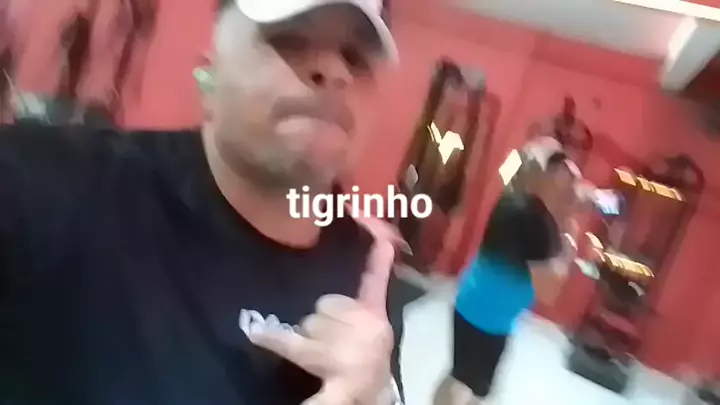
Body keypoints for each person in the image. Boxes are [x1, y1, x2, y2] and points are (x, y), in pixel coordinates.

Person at [0, 0, 405, 404]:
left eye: (355, 57)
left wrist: (378, 396)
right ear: (209, 75)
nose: (335, 70)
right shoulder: (60, 187)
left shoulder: (370, 277)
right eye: (290, 39)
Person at [433, 137, 585, 405]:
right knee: (464, 382)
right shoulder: (529, 216)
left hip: (488, 314)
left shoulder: (528, 207)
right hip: (483, 317)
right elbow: (548, 292)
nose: (568, 179)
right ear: (544, 175)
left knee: (472, 384)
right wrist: (571, 243)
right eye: (559, 168)